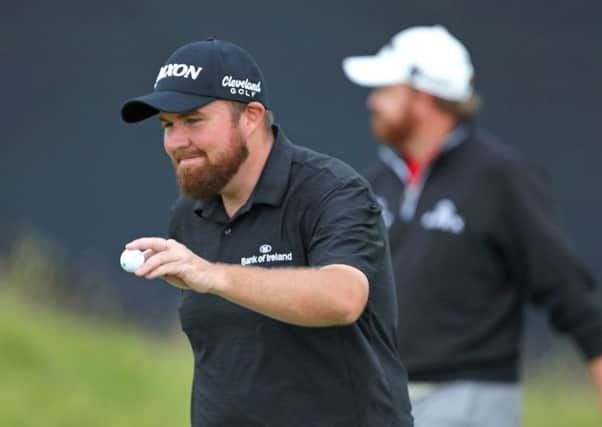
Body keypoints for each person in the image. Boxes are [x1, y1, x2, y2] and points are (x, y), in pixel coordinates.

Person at [119, 38, 413, 427]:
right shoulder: (189, 215)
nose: (176, 142)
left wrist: (214, 275)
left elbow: (344, 297)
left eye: (193, 120)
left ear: (252, 116)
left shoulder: (333, 191)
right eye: (167, 126)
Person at [342, 25, 602, 426]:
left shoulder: (499, 178)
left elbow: (566, 288)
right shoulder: (375, 183)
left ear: (423, 98)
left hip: (471, 400)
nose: (372, 102)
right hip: (386, 396)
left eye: (386, 91)